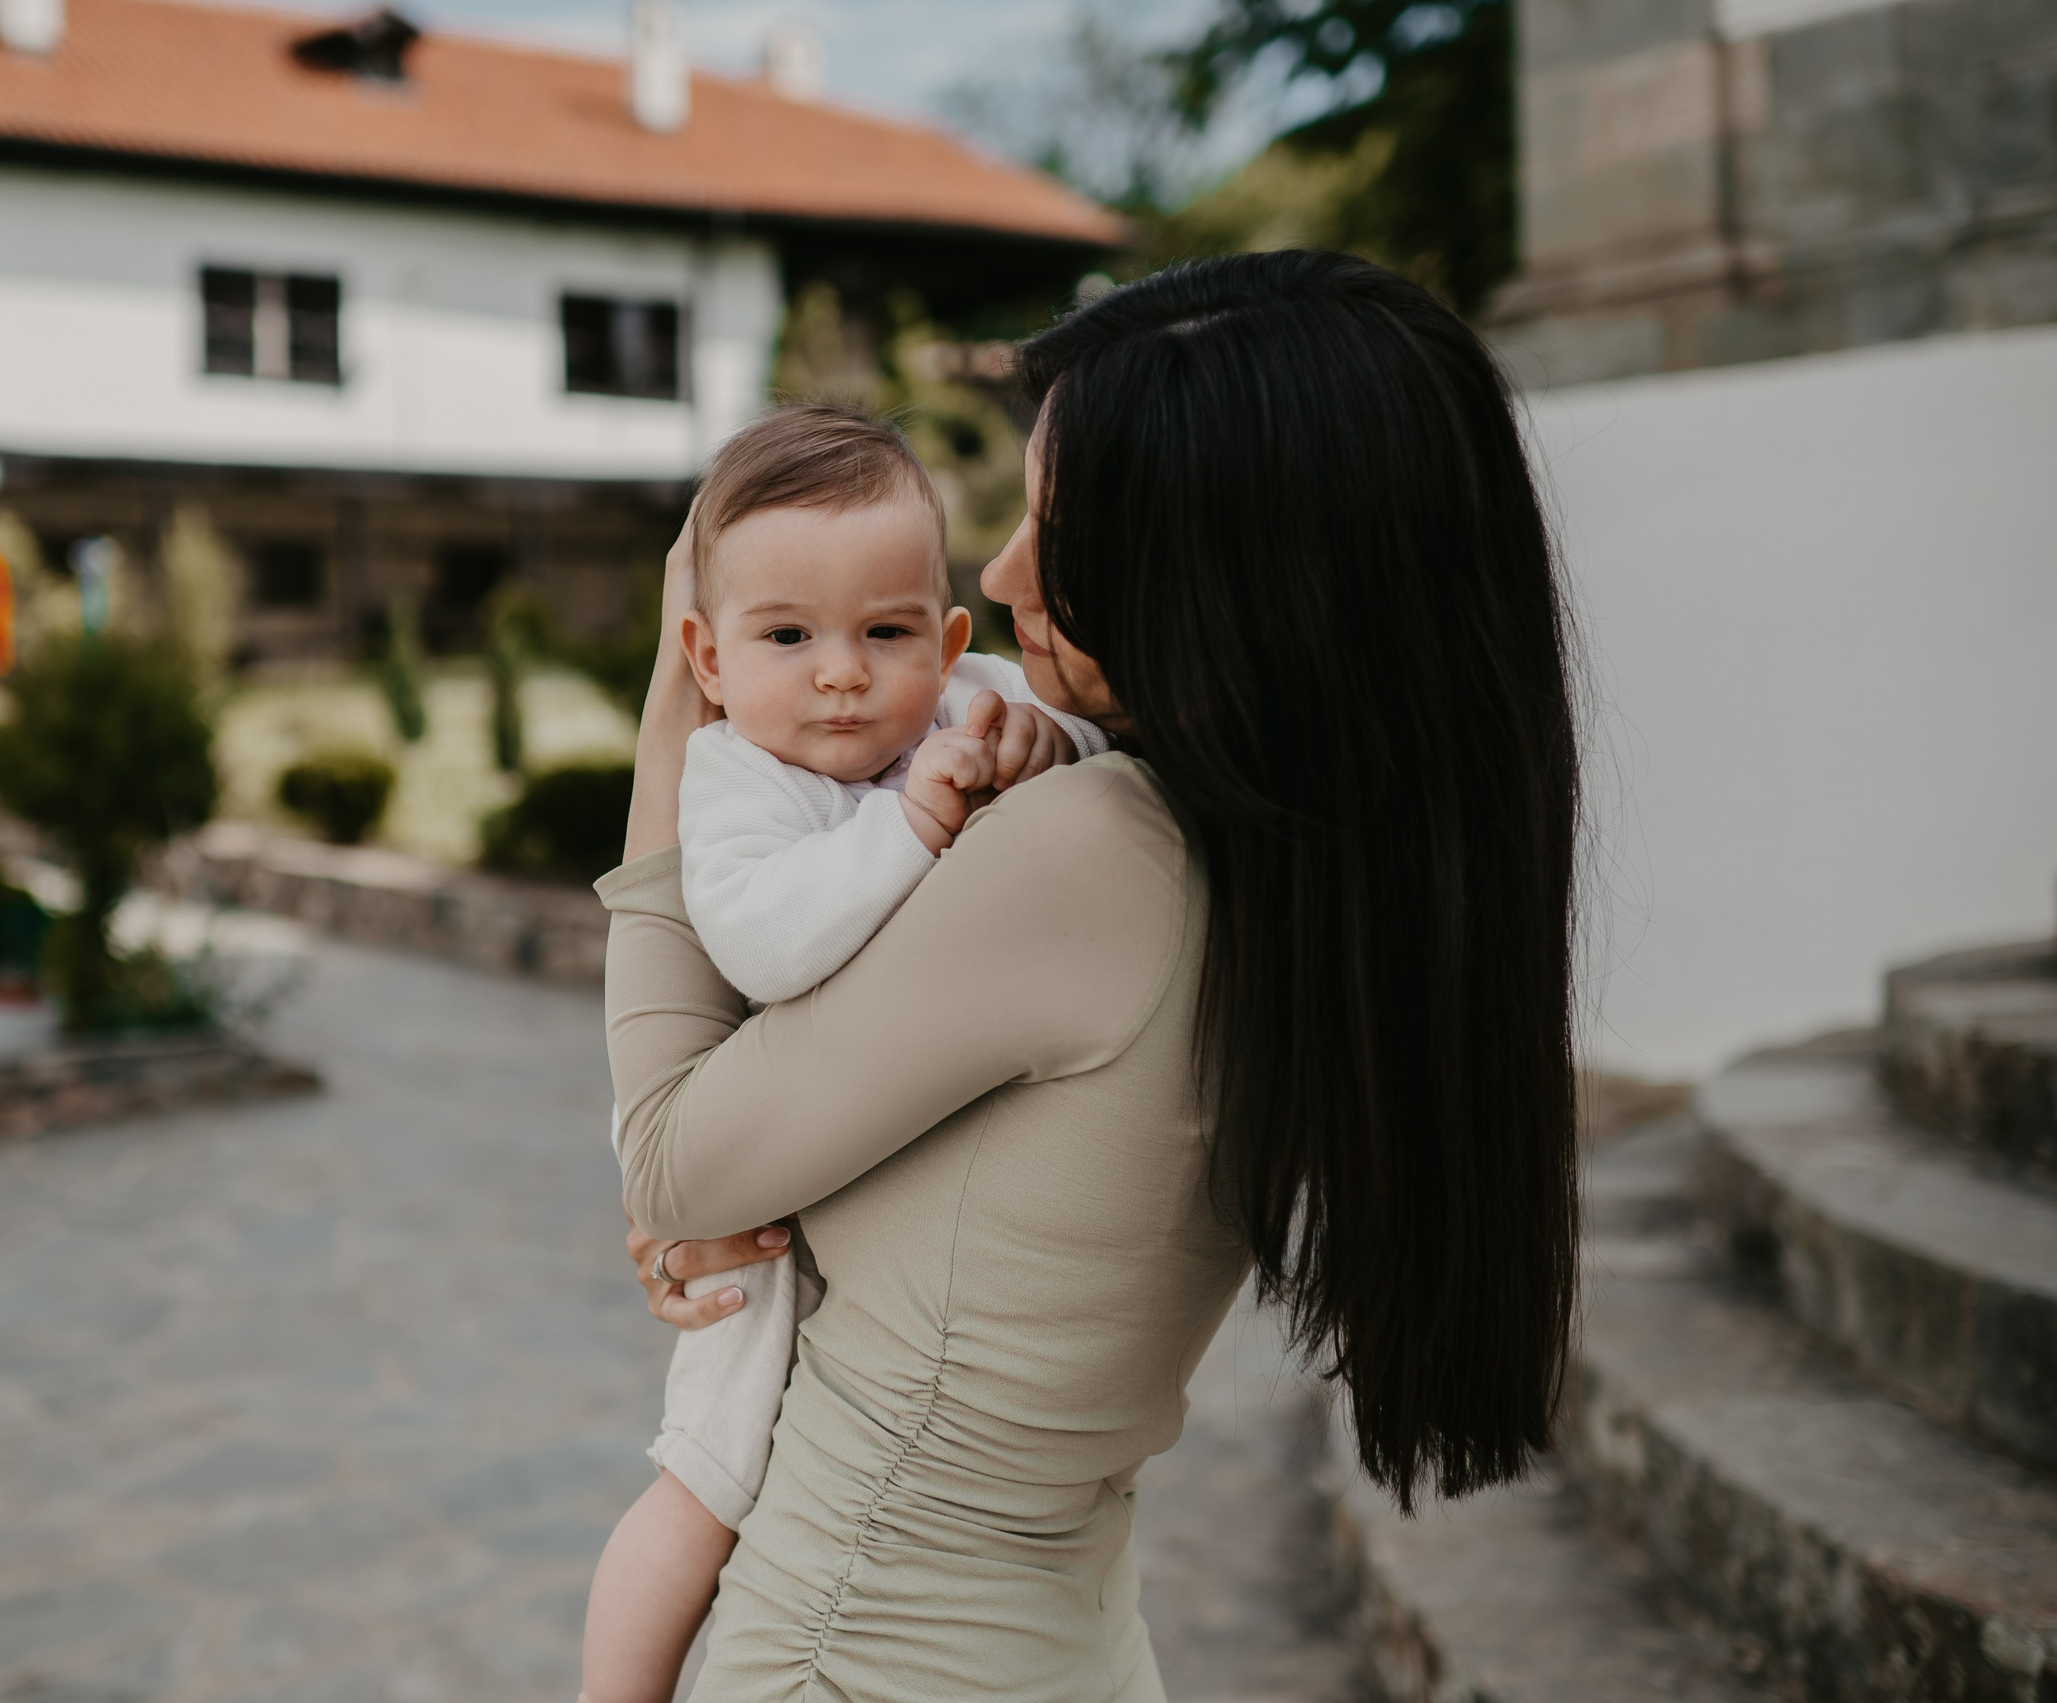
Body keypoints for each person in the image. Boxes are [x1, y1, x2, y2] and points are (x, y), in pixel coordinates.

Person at [597, 251, 1582, 1702]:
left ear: (1233, 569)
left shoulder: (1091, 854)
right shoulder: (1298, 867)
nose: (995, 578)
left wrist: (689, 711)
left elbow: (675, 1156)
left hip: (854, 1656)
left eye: (1058, 526)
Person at [580, 405, 1106, 1703]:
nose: (840, 675)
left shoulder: (968, 708)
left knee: (795, 1478)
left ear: (951, 639)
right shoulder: (738, 779)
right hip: (754, 1192)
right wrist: (913, 828)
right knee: (706, 1482)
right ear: (704, 657)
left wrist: (1050, 743)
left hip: (864, 1181)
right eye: (786, 637)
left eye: (886, 632)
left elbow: (1101, 761)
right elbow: (765, 947)